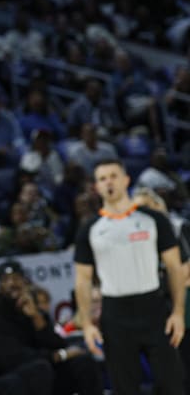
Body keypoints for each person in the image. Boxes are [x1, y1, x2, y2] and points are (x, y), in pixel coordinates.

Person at [74, 159, 185, 395]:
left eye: (113, 176)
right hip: (115, 314)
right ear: (97, 187)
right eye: (102, 179)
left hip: (154, 308)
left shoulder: (154, 220)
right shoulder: (90, 229)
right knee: (124, 387)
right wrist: (86, 324)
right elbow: (82, 280)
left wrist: (177, 312)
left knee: (173, 384)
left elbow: (175, 268)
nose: (109, 182)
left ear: (126, 180)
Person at [0, 260, 102, 395]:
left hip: (41, 369)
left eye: (16, 278)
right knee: (40, 369)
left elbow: (57, 344)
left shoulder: (32, 307)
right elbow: (11, 359)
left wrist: (36, 317)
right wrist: (56, 356)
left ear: (24, 281)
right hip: (7, 377)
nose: (12, 283)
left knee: (83, 362)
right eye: (5, 280)